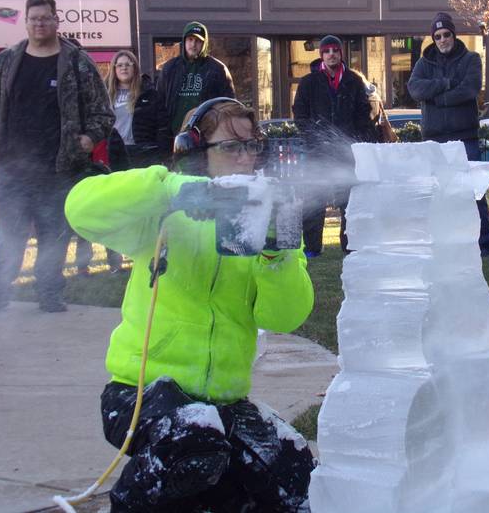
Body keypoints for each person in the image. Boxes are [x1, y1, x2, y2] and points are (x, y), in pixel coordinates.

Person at [64, 98, 316, 512]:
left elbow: (283, 317)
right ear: (195, 150)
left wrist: (278, 255)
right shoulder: (162, 212)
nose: (246, 158)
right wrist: (172, 191)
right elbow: (80, 208)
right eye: (231, 147)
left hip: (223, 401)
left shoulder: (263, 216)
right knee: (194, 448)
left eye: (252, 146)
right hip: (140, 391)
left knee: (294, 478)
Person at [0, 0, 114, 313]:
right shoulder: (7, 61)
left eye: (46, 18)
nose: (40, 24)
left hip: (58, 169)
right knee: (8, 237)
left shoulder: (76, 63)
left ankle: (49, 294)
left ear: (56, 21)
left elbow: (103, 111)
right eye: (34, 18)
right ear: (26, 21)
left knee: (54, 237)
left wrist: (90, 137)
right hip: (13, 168)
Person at [407, 12, 489, 257]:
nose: (443, 39)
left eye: (446, 34)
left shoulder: (471, 59)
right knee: (437, 195)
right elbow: (415, 89)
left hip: (465, 137)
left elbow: (470, 89)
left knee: (474, 192)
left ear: (453, 35)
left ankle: (483, 244)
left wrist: (436, 98)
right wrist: (446, 84)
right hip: (434, 139)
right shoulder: (424, 63)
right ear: (433, 39)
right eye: (438, 36)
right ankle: (444, 242)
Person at [75, 49, 164, 274]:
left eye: (128, 64)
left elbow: (161, 126)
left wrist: (161, 153)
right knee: (111, 207)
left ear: (135, 68)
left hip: (140, 154)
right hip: (109, 155)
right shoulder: (104, 95)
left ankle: (141, 255)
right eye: (119, 65)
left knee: (138, 208)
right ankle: (97, 263)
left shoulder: (148, 94)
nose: (124, 68)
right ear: (114, 69)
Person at [292, 34, 374, 257]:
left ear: (341, 53)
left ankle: (349, 245)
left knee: (349, 202)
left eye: (334, 50)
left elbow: (363, 115)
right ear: (321, 55)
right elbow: (300, 115)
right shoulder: (309, 83)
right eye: (326, 51)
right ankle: (312, 248)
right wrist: (316, 137)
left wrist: (355, 140)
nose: (331, 54)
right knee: (315, 199)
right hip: (317, 151)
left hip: (346, 153)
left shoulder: (354, 81)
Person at [155, 21, 235, 138]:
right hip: (173, 137)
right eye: (190, 39)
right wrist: (162, 131)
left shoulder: (218, 69)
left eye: (198, 41)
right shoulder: (169, 68)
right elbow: (159, 103)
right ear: (184, 41)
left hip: (207, 136)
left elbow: (229, 105)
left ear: (204, 43)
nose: (193, 44)